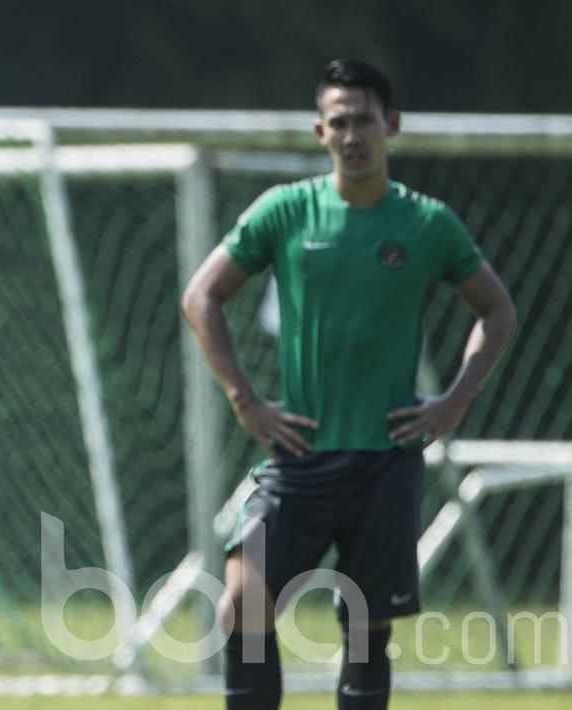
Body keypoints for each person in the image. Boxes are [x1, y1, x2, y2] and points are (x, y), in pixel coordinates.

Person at [181, 59, 516, 710]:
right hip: (298, 455)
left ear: (390, 125)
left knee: (364, 631)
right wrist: (245, 401)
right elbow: (201, 297)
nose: (352, 133)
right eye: (338, 121)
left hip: (386, 458)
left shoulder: (426, 224)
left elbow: (496, 310)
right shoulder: (284, 211)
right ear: (319, 132)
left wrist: (455, 400)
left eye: (364, 119)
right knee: (241, 602)